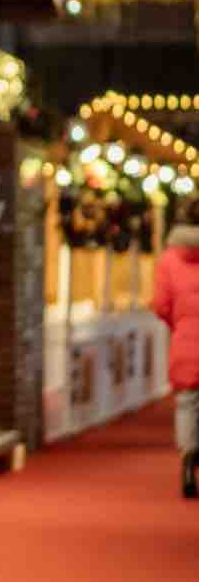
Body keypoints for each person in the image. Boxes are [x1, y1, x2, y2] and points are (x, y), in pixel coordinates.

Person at [153, 196, 199, 499]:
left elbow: (161, 304)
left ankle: (187, 459)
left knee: (187, 403)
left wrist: (179, 323)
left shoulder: (169, 259)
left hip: (185, 340)